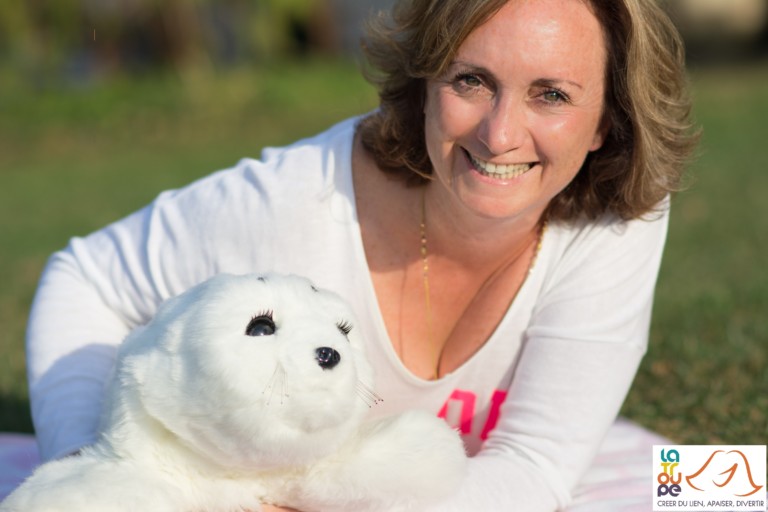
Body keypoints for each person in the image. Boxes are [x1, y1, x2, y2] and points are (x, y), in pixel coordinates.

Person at [24, 0, 697, 510]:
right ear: (425, 83)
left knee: (723, 489)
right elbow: (85, 277)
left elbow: (536, 465)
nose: (500, 134)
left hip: (473, 480)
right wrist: (99, 468)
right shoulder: (297, 201)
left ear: (607, 120)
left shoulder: (619, 216)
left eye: (551, 95)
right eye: (471, 81)